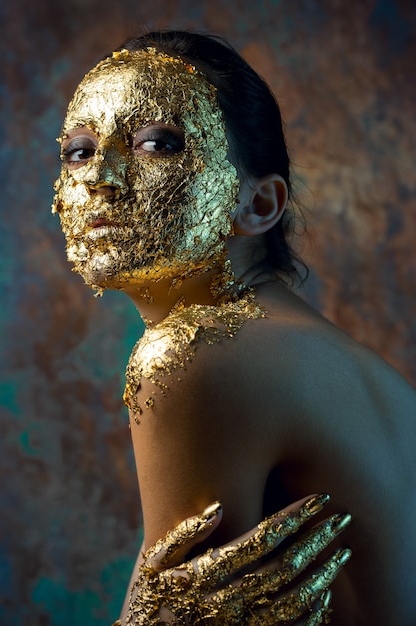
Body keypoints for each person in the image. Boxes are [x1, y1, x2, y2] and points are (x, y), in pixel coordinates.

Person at [52, 30, 416, 625]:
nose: (100, 178)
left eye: (156, 144)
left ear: (259, 204)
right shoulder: (365, 376)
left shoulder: (194, 357)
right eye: (79, 151)